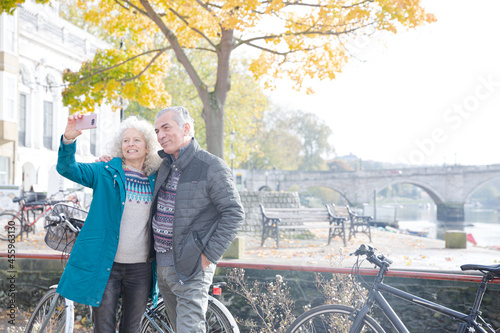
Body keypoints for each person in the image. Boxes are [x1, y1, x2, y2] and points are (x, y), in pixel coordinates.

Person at [56, 114, 162, 332]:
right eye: (125, 140)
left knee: (132, 328)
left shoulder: (157, 178)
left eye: (136, 140)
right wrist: (69, 139)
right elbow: (67, 168)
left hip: (141, 268)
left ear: (148, 147)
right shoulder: (104, 172)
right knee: (103, 327)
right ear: (120, 146)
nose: (130, 144)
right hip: (107, 265)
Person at [151, 106, 245, 332]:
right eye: (156, 131)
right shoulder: (163, 166)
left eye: (166, 128)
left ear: (186, 128)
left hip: (192, 267)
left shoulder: (211, 166)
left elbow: (234, 213)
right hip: (162, 267)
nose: (160, 135)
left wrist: (208, 257)